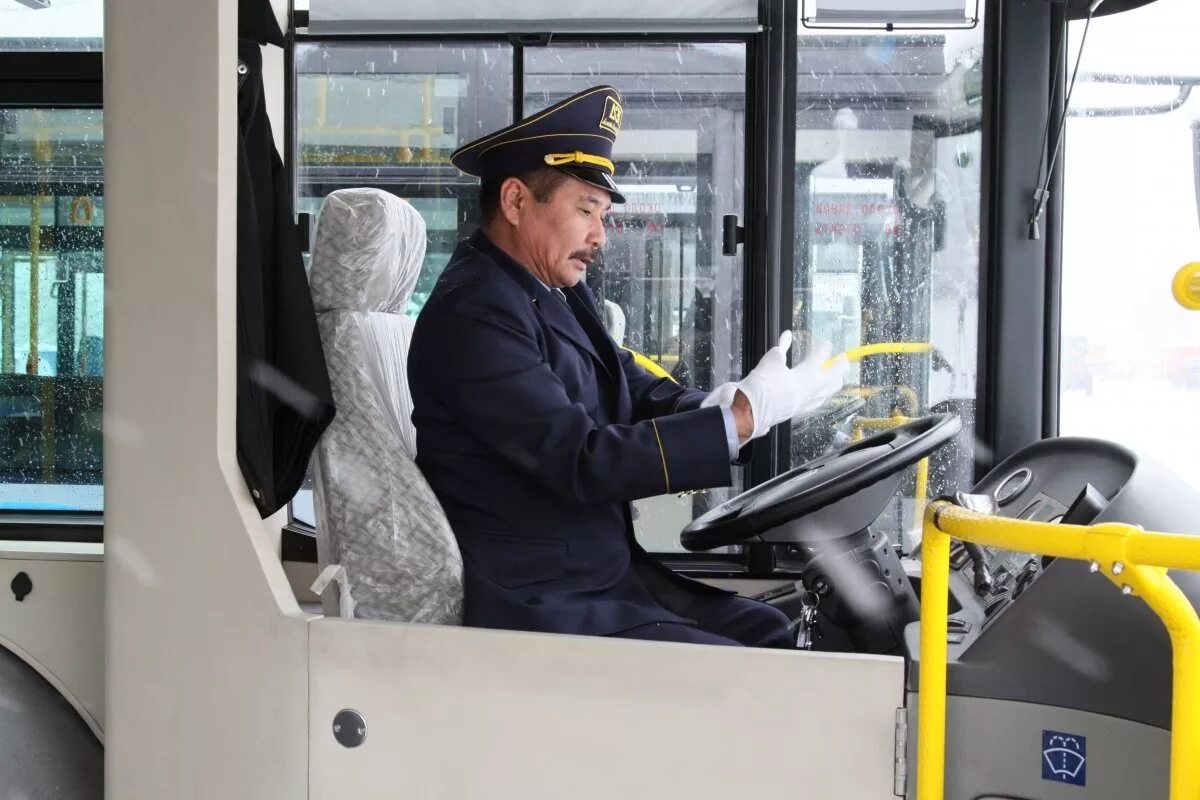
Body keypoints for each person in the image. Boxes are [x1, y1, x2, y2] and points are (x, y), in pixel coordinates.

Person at [408, 85, 846, 647]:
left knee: (772, 631)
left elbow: (626, 382)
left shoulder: (548, 287)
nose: (599, 236)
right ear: (516, 202)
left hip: (601, 575)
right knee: (759, 663)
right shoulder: (474, 315)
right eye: (586, 210)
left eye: (605, 215)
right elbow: (581, 460)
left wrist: (723, 407)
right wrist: (735, 421)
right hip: (541, 597)